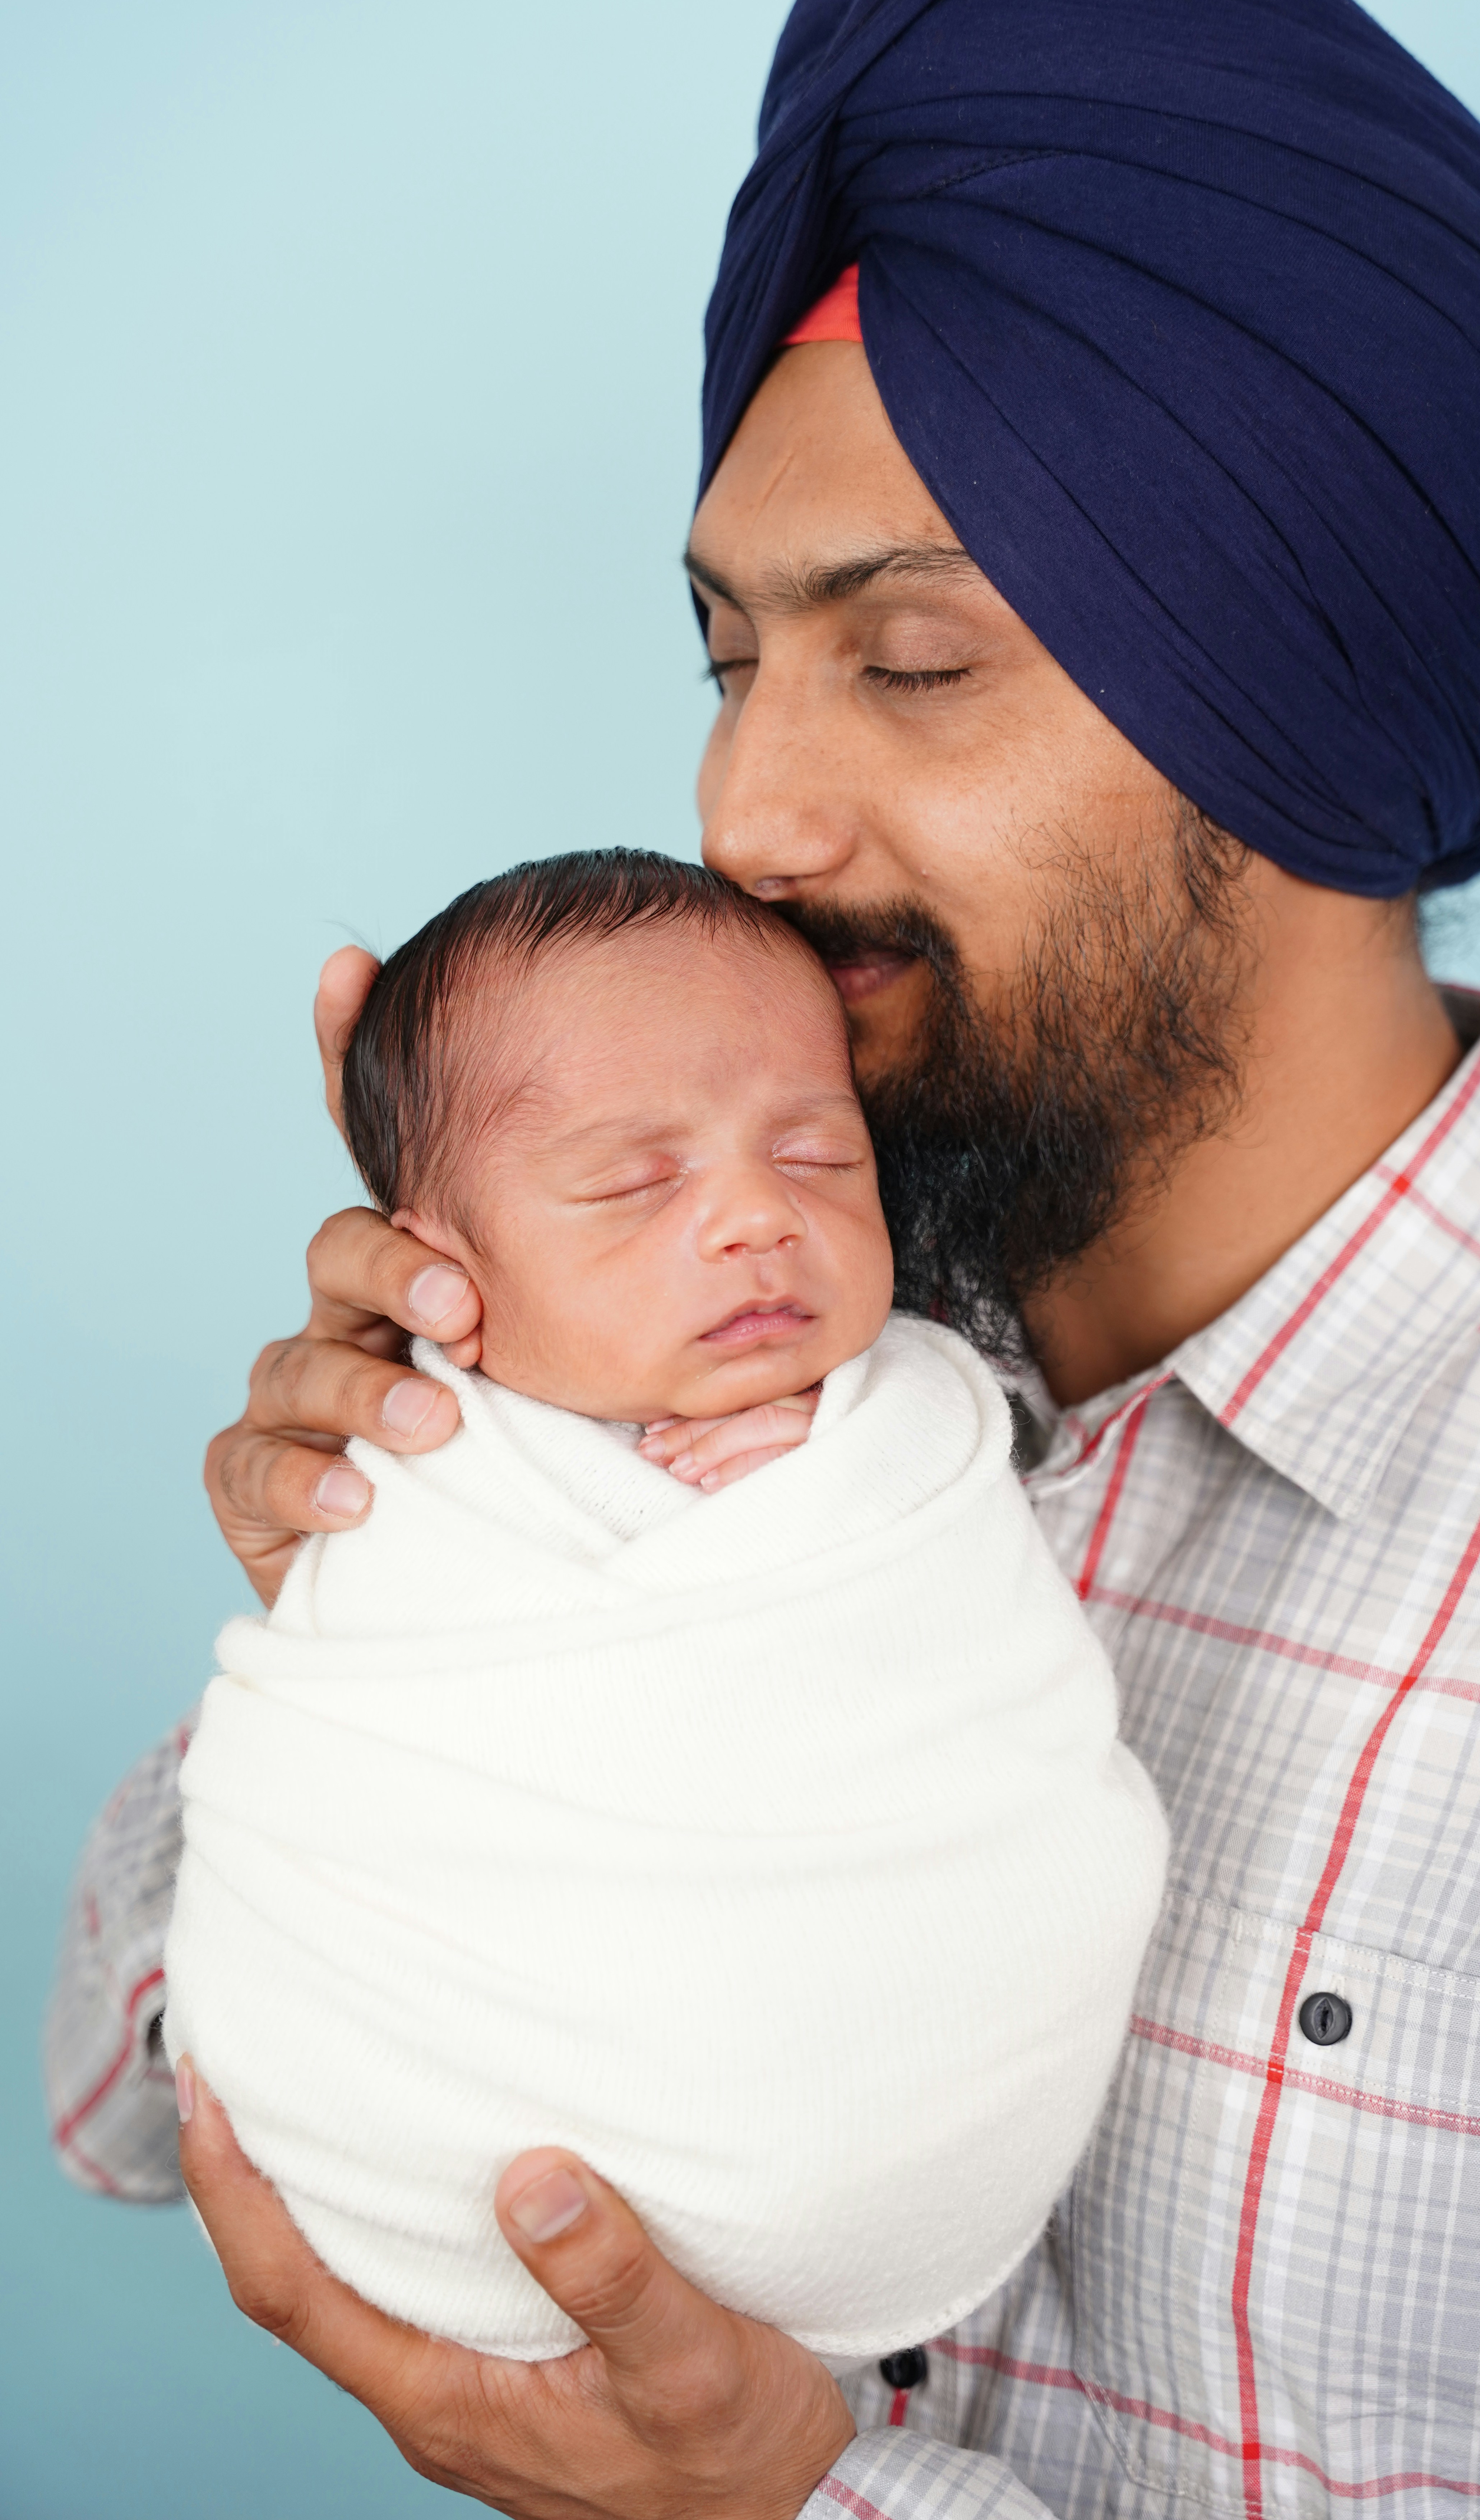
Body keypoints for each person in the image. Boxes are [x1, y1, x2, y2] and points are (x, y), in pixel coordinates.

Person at [45, 0, 1480, 2520]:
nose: (746, 816)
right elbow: (136, 2098)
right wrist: (399, 1543)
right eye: (726, 661)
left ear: (1309, 708)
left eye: (907, 662)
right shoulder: (708, 1360)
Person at [163, 845, 1164, 2368]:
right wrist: (336, 1590)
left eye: (823, 1156)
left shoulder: (909, 1414)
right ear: (443, 1271)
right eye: (638, 1181)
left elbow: (946, 1581)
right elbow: (336, 1789)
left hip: (885, 2115)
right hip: (427, 2126)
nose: (758, 1217)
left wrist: (837, 1458)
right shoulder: (418, 1456)